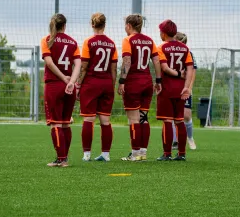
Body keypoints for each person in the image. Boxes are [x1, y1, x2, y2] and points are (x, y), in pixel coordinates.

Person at [117, 14, 162, 162]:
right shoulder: (149, 40)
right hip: (147, 82)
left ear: (129, 25)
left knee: (134, 119)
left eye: (125, 25)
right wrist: (158, 80)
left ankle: (135, 153)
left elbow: (127, 60)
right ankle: (142, 152)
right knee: (143, 117)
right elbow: (156, 60)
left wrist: (122, 80)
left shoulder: (128, 40)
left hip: (133, 82)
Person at [76, 13, 118, 162]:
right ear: (104, 25)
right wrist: (111, 86)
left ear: (92, 24)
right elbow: (114, 69)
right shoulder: (112, 43)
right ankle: (106, 154)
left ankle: (86, 155)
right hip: (106, 83)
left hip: (91, 83)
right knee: (105, 121)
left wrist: (78, 84)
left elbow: (84, 67)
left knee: (89, 119)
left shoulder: (88, 42)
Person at [41, 13, 81, 167]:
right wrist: (72, 81)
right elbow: (77, 64)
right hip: (70, 87)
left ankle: (61, 159)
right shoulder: (73, 42)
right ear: (65, 25)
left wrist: (63, 78)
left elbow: (49, 63)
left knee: (55, 124)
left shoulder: (47, 40)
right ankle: (64, 158)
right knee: (65, 123)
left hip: (54, 85)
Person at [156, 20, 194, 161]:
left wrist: (177, 74)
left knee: (167, 121)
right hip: (180, 89)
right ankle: (182, 154)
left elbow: (165, 68)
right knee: (179, 120)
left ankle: (167, 154)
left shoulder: (161, 47)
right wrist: (187, 86)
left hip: (166, 88)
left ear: (163, 33)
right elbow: (190, 68)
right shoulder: (185, 49)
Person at [171, 32, 198, 150]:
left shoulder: (189, 54)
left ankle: (190, 137)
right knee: (172, 115)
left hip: (185, 87)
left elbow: (193, 73)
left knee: (186, 114)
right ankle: (175, 142)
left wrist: (189, 88)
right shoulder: (170, 52)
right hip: (173, 87)